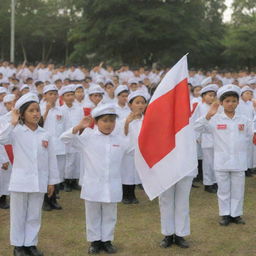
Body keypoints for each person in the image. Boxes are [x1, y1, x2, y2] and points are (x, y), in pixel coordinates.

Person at [60, 103, 127, 254]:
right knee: (93, 214)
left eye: (112, 120)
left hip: (112, 184)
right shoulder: (88, 136)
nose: (109, 124)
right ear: (96, 122)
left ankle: (107, 241)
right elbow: (64, 139)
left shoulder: (120, 139)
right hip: (93, 184)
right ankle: (95, 242)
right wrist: (79, 126)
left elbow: (134, 149)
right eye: (104, 120)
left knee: (110, 214)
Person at [0, 92, 60, 256]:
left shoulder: (44, 134)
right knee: (18, 214)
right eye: (31, 111)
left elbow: (51, 160)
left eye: (37, 110)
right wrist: (12, 122)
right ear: (22, 114)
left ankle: (31, 244)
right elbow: (1, 138)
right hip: (20, 181)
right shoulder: (16, 131)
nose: (35, 114)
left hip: (39, 181)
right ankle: (18, 246)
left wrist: (52, 181)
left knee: (34, 214)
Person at [194, 84, 253, 226]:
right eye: (227, 101)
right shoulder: (215, 119)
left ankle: (236, 214)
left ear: (238, 102)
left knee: (238, 189)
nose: (230, 104)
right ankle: (225, 214)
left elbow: (250, 135)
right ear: (221, 103)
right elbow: (196, 127)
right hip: (221, 161)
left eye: (233, 101)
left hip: (239, 161)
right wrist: (208, 115)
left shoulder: (244, 120)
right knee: (223, 189)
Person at [192, 84, 219, 193]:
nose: (212, 97)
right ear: (203, 96)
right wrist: (197, 137)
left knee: (216, 162)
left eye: (214, 95)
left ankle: (216, 182)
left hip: (217, 137)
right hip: (206, 137)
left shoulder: (218, 106)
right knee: (208, 162)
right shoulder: (200, 106)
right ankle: (208, 184)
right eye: (209, 95)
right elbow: (195, 122)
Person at [41, 84, 64, 211]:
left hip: (58, 146)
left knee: (56, 174)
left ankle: (53, 199)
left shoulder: (61, 110)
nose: (53, 96)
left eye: (55, 94)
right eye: (50, 94)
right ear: (45, 95)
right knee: (46, 173)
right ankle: (45, 200)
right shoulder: (39, 108)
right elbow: (38, 124)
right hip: (44, 145)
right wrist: (46, 110)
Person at [122, 90, 148, 204]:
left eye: (142, 102)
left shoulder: (146, 119)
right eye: (137, 103)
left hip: (141, 151)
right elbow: (122, 134)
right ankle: (126, 195)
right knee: (127, 173)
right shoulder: (124, 119)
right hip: (128, 152)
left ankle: (133, 195)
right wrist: (127, 123)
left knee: (135, 174)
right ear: (130, 105)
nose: (140, 105)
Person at [59, 84, 84, 192]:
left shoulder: (79, 109)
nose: (70, 97)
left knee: (76, 159)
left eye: (72, 95)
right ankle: (66, 181)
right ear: (63, 97)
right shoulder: (60, 110)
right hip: (65, 138)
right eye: (67, 95)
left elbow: (82, 123)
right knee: (67, 161)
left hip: (77, 137)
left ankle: (74, 181)